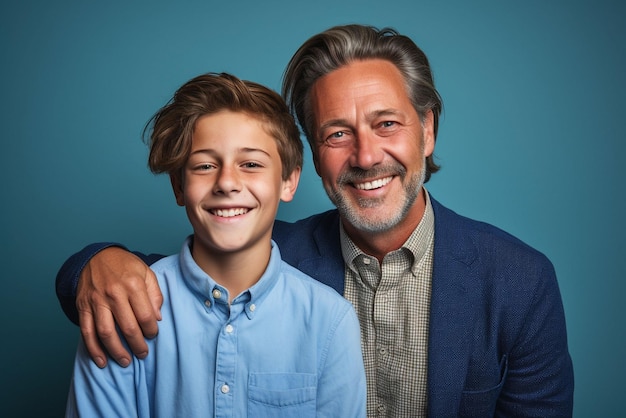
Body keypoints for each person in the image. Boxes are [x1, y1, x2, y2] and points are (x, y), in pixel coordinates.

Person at [57, 25, 574, 416]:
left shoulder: (519, 281)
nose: (367, 156)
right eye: (337, 134)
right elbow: (163, 286)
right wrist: (97, 262)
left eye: (387, 124)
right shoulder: (267, 253)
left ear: (427, 130)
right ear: (310, 159)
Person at [64, 72, 366, 417]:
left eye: (250, 164)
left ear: (288, 180)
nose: (226, 182)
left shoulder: (329, 320)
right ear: (179, 186)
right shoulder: (121, 307)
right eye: (205, 165)